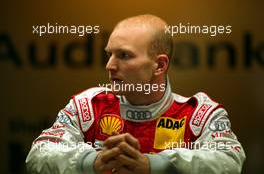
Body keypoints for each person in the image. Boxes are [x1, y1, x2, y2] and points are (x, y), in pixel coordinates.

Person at [26, 14, 245, 174]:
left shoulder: (201, 114)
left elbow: (229, 160)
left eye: (124, 55)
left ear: (159, 65)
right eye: (109, 54)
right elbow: (38, 153)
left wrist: (152, 165)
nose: (110, 65)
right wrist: (91, 161)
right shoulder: (87, 106)